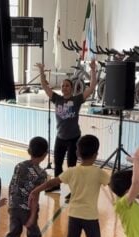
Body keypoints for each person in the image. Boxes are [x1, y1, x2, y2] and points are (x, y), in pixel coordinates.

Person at [30, 135, 109, 237]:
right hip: (90, 218)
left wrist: (37, 190)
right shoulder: (99, 173)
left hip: (74, 216)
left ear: (78, 153)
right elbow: (115, 186)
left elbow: (53, 182)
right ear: (96, 155)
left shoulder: (72, 171)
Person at [36, 61, 97, 197]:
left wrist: (93, 70)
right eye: (63, 86)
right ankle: (56, 186)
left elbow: (92, 87)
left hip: (73, 139)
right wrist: (41, 71)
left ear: (72, 88)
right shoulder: (56, 99)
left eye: (67, 86)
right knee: (58, 165)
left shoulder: (77, 100)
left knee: (71, 166)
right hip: (60, 138)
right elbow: (44, 87)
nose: (64, 88)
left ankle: (73, 190)